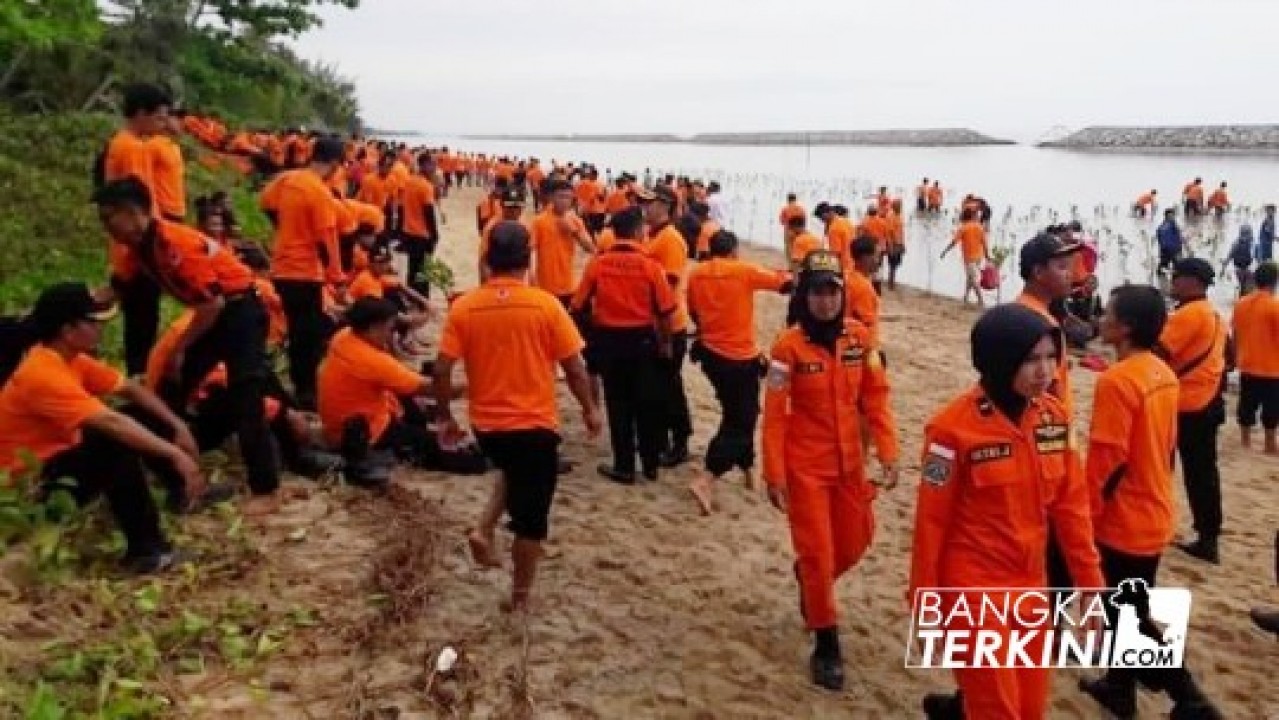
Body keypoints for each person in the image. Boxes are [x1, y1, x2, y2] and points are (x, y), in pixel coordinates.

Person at [911, 304, 1105, 720]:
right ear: (999, 360)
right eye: (1032, 360)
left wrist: (1091, 587)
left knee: (1031, 708)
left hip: (1031, 587)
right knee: (997, 710)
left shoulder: (1054, 419)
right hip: (972, 590)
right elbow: (931, 521)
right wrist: (925, 602)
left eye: (1052, 358)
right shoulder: (950, 431)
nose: (1046, 371)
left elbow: (1072, 509)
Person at [434, 222, 602, 612]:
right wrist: (590, 410)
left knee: (512, 471)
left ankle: (483, 529)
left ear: (488, 259)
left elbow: (442, 368)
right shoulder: (546, 305)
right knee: (532, 521)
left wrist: (444, 415)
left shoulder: (465, 306)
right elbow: (575, 368)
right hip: (534, 424)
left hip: (488, 425)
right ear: (527, 259)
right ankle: (520, 596)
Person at [94, 177, 283, 515]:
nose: (106, 226)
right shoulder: (138, 248)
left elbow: (212, 306)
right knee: (172, 386)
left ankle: (265, 487)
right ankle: (174, 471)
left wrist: (180, 350)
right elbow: (116, 289)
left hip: (240, 311)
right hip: (215, 313)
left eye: (109, 218)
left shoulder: (175, 243)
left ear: (133, 213)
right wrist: (65, 310)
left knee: (246, 393)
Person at [1078, 285, 1224, 720]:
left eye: (1108, 312)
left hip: (1126, 518)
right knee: (1128, 606)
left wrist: (1085, 515)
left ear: (1124, 328)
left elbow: (1108, 460)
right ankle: (1118, 689)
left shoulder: (1119, 380)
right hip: (1154, 506)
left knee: (1129, 615)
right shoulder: (1163, 373)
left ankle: (1190, 697)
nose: (1101, 318)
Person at [762, 250, 899, 691]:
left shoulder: (861, 341)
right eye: (818, 292)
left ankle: (811, 581)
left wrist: (889, 452)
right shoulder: (787, 347)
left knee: (857, 540)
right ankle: (826, 642)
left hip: (851, 467)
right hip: (806, 468)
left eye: (833, 291)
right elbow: (776, 415)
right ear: (805, 297)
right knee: (818, 553)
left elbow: (876, 399)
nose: (826, 301)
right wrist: (774, 473)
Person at [0, 284, 205, 572]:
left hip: (59, 461)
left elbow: (130, 389)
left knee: (139, 414)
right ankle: (146, 551)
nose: (101, 329)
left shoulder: (69, 358)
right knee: (110, 442)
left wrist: (177, 425)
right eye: (93, 322)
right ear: (68, 330)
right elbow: (111, 423)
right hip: (33, 486)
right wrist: (175, 454)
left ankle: (182, 492)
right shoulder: (41, 373)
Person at [318, 298, 486, 486]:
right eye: (390, 329)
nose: (392, 335)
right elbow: (432, 388)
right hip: (366, 432)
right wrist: (474, 386)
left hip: (343, 421)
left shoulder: (344, 337)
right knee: (449, 452)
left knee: (410, 402)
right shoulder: (372, 361)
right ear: (373, 328)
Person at [686, 230, 791, 513]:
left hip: (710, 356)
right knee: (740, 419)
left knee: (740, 411)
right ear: (733, 251)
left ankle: (747, 468)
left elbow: (693, 312)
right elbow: (783, 284)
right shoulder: (742, 270)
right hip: (737, 358)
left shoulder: (696, 274)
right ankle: (707, 478)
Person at [571, 207, 677, 484]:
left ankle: (625, 466)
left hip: (610, 341)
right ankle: (651, 464)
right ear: (638, 232)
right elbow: (666, 310)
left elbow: (578, 305)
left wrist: (592, 328)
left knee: (619, 405)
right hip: (642, 340)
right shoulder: (650, 266)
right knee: (647, 403)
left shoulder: (598, 264)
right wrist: (665, 343)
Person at [261, 136, 346, 410]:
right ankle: (306, 390)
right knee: (306, 334)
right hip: (304, 271)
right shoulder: (319, 192)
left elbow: (266, 203)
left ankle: (300, 384)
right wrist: (337, 276)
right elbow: (327, 238)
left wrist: (287, 229)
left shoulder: (288, 179)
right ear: (334, 163)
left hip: (282, 265)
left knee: (298, 328)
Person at [1157, 258, 1229, 564]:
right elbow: (1231, 356)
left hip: (1186, 404)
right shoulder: (1215, 314)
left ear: (1194, 283)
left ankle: (1165, 527)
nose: (1173, 282)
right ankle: (1209, 535)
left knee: (1162, 468)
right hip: (1210, 400)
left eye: (1178, 277)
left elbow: (1158, 352)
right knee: (1204, 473)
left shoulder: (1186, 315)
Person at [101, 82, 173, 377]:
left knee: (141, 315)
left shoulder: (131, 144)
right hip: (136, 247)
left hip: (134, 244)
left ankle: (140, 375)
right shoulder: (130, 147)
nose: (163, 124)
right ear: (141, 114)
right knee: (141, 318)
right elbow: (137, 205)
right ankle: (140, 379)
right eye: (159, 117)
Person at [640, 184, 695, 467]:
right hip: (653, 322)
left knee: (669, 386)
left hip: (670, 325)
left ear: (666, 207)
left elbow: (668, 283)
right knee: (656, 385)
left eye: (650, 203)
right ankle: (660, 439)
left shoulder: (671, 239)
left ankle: (680, 442)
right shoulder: (652, 235)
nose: (645, 207)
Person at [1232, 261, 1279, 455]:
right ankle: (1270, 445)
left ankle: (1245, 442)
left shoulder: (1241, 304)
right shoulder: (1275, 307)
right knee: (1271, 409)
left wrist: (1235, 357)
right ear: (1274, 282)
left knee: (1247, 405)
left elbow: (1235, 334)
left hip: (1247, 363)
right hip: (1271, 367)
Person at [531, 178, 596, 306]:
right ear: (552, 197)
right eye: (561, 196)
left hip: (569, 284)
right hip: (545, 285)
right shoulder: (539, 221)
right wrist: (532, 278)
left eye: (568, 197)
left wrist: (573, 232)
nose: (564, 201)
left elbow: (591, 248)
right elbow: (531, 251)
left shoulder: (575, 221)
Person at [400, 154, 440, 296]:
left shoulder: (409, 181)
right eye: (432, 165)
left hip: (408, 231)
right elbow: (428, 212)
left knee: (412, 268)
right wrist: (434, 234)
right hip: (422, 234)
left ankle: (411, 297)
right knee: (424, 270)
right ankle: (423, 299)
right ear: (423, 165)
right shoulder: (425, 186)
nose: (434, 168)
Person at [940, 208, 990, 307]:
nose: (978, 216)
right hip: (978, 257)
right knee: (969, 278)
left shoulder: (964, 228)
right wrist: (987, 256)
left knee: (973, 279)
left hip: (969, 258)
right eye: (976, 215)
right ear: (972, 216)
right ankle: (966, 297)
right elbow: (984, 243)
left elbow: (954, 242)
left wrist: (945, 251)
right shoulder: (979, 227)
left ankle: (980, 300)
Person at [815, 201, 855, 269]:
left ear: (826, 213)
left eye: (821, 218)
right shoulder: (846, 221)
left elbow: (836, 254)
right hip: (853, 262)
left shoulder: (833, 229)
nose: (821, 221)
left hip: (844, 266)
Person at [1227, 223, 1256, 296]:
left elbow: (1255, 257)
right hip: (1239, 269)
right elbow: (1229, 256)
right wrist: (1223, 268)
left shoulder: (1252, 243)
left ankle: (1242, 297)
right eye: (1245, 234)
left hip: (1247, 268)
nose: (1246, 237)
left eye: (1248, 234)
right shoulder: (1236, 244)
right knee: (1243, 287)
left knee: (1245, 288)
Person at [885, 199, 906, 290]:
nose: (901, 207)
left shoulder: (899, 216)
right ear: (895, 207)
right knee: (893, 264)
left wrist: (903, 244)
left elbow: (900, 231)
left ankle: (892, 281)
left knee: (896, 263)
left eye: (901, 206)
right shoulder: (891, 216)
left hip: (899, 243)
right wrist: (892, 246)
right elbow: (890, 232)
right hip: (894, 244)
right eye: (899, 206)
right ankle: (891, 283)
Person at [1156, 208, 1184, 276]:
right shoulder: (1171, 225)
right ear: (1166, 216)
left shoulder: (1161, 226)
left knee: (1163, 268)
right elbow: (1179, 236)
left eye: (1173, 216)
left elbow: (1159, 239)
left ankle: (1161, 283)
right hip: (1172, 250)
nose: (1172, 217)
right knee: (1177, 268)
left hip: (1167, 249)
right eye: (1170, 216)